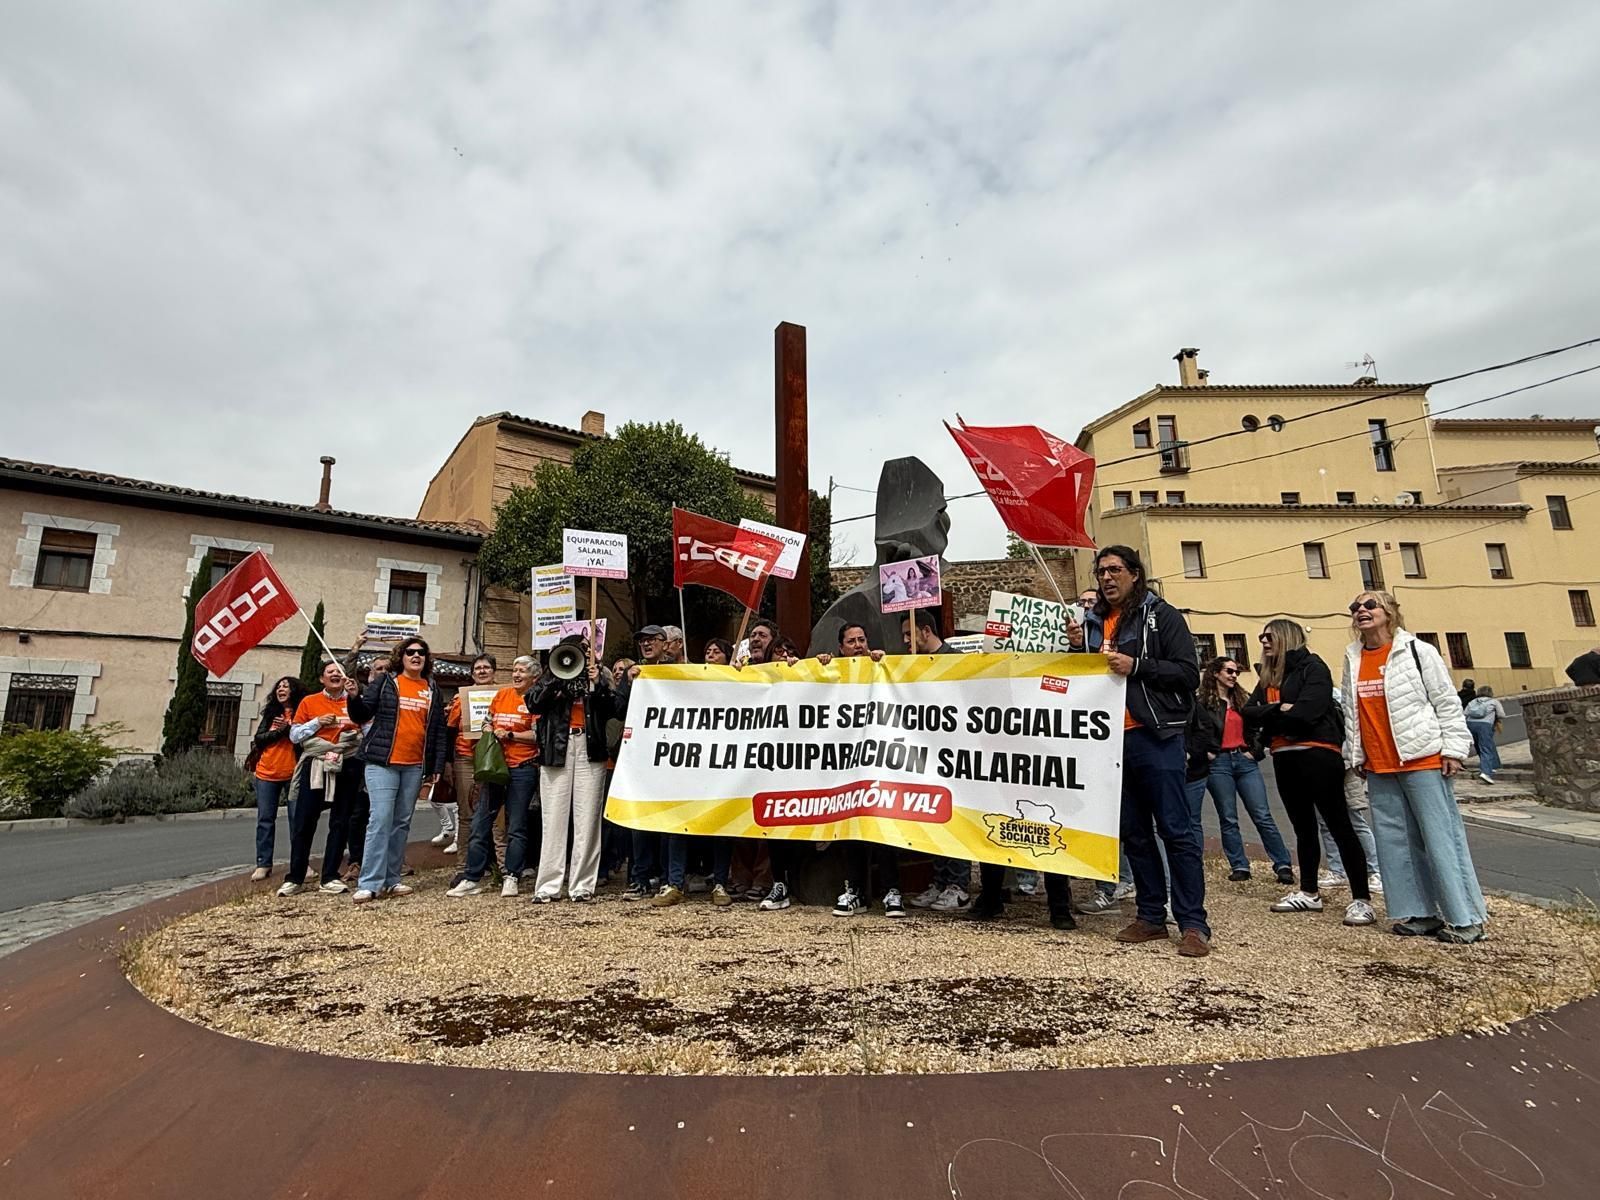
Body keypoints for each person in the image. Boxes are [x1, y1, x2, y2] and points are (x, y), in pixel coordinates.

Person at [1076, 545, 1210, 956]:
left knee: (1176, 830)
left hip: (1155, 737)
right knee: (1133, 833)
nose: (1107, 578)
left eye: (1115, 570)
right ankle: (1151, 915)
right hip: (1109, 743)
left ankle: (1192, 923)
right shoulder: (1092, 623)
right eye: (1101, 572)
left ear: (1135, 574)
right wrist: (1075, 651)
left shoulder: (1162, 616)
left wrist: (1138, 666)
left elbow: (1188, 673)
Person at [1342, 591, 1487, 942]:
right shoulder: (1353, 657)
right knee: (1396, 844)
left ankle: (1466, 918)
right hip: (1379, 765)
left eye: (1370, 605)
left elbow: (1446, 702)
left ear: (1389, 613)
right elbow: (1351, 711)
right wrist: (1356, 756)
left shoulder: (1418, 652)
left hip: (1421, 759)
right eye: (1356, 607)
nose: (1362, 611)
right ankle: (1421, 913)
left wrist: (1453, 749)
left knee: (1441, 839)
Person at [1245, 621, 1375, 927]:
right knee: (1302, 827)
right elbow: (1247, 713)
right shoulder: (1267, 675)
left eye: (1269, 635)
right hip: (1283, 755)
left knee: (1338, 823)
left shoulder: (1313, 667)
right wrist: (1281, 710)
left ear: (1286, 637)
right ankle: (1309, 892)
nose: (1263, 640)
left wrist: (1273, 714)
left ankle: (1361, 899)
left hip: (1318, 752)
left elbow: (1309, 711)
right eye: (1261, 636)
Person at [348, 637, 449, 903]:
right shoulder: (386, 683)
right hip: (382, 762)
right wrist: (354, 697)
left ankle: (392, 879)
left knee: (401, 823)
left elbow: (438, 730)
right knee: (380, 819)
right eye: (410, 652)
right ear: (401, 657)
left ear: (426, 659)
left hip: (414, 765)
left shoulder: (432, 688)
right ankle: (370, 882)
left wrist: (436, 765)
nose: (416, 656)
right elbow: (361, 714)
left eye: (421, 653)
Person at [815, 623, 904, 918]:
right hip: (847, 767)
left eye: (862, 639)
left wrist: (884, 660)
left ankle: (892, 891)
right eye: (851, 641)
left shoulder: (881, 667)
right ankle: (854, 890)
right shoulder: (836, 672)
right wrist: (822, 667)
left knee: (881, 829)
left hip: (878, 765)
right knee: (851, 830)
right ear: (841, 648)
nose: (858, 645)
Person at [1187, 658, 1295, 885]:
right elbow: (1196, 729)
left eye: (1236, 671)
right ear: (1215, 673)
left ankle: (1282, 863)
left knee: (1262, 814)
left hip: (1244, 761)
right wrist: (1208, 751)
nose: (1234, 675)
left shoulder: (1243, 700)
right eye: (1229, 671)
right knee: (1228, 816)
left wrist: (1254, 751)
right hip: (1219, 763)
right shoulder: (1203, 703)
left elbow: (1256, 727)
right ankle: (1239, 865)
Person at [899, 610, 975, 913]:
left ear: (925, 631)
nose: (906, 641)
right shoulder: (915, 663)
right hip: (926, 755)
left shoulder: (954, 660)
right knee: (935, 816)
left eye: (909, 635)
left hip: (953, 754)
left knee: (955, 818)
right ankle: (941, 881)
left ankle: (958, 885)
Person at [529, 632, 615, 902]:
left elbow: (616, 709)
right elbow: (533, 703)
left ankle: (582, 885)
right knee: (553, 818)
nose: (584, 653)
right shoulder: (551, 675)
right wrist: (556, 679)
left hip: (589, 750)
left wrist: (598, 684)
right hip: (558, 749)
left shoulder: (597, 676)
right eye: (580, 649)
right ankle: (548, 886)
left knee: (587, 818)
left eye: (587, 650)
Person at [448, 656, 541, 899]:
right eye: (514, 670)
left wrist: (511, 735)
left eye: (522, 671)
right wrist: (488, 728)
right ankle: (472, 876)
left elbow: (539, 735)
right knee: (480, 821)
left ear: (534, 677)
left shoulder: (537, 698)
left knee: (516, 824)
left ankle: (512, 875)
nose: (517, 674)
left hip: (523, 766)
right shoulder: (502, 695)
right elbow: (488, 719)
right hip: (496, 767)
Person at [278, 661, 363, 897]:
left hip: (348, 762)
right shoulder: (309, 702)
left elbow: (366, 727)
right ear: (322, 679)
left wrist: (352, 735)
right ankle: (295, 876)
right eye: (330, 672)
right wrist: (317, 722)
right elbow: (294, 736)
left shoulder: (354, 700)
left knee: (341, 821)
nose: (335, 674)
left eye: (339, 672)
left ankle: (330, 876)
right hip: (316, 763)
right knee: (305, 821)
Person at [615, 627, 667, 901]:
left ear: (664, 644)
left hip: (670, 755)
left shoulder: (675, 670)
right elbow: (618, 709)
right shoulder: (633, 673)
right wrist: (629, 683)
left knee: (667, 818)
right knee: (638, 818)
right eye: (642, 641)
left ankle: (668, 877)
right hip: (640, 754)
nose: (646, 645)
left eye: (651, 640)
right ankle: (640, 877)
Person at [249, 676, 305, 881]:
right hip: (266, 773)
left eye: (286, 686)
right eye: (279, 686)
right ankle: (263, 863)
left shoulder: (302, 712)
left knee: (297, 820)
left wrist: (288, 728)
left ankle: (300, 863)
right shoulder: (271, 714)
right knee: (265, 819)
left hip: (293, 774)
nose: (282, 689)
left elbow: (303, 738)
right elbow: (260, 739)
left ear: (294, 691)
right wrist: (279, 730)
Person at [441, 654, 498, 856]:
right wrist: (447, 762)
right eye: (478, 668)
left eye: (486, 667)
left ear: (494, 671)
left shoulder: (503, 695)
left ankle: (491, 862)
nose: (482, 671)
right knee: (467, 813)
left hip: (494, 759)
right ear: (472, 673)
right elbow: (449, 731)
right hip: (465, 757)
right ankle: (464, 863)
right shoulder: (460, 698)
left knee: (495, 813)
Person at [1463, 686, 1506, 785]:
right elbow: (1501, 715)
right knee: (1486, 748)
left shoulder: (1472, 702)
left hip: (1470, 725)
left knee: (1478, 747)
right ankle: (1486, 772)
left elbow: (1465, 713)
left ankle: (1491, 766)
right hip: (1485, 725)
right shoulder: (1494, 702)